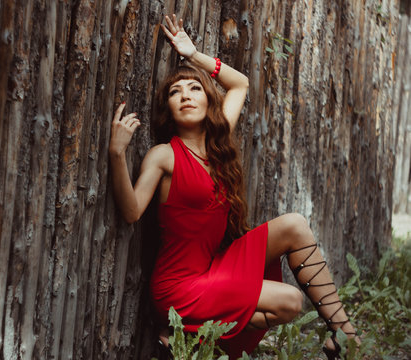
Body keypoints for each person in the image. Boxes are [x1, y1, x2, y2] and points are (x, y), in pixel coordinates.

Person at [109, 14, 359, 359]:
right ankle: (185, 335)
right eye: (175, 92)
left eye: (195, 88)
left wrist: (192, 54)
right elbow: (132, 210)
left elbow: (239, 83)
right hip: (179, 285)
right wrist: (116, 153)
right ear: (167, 109)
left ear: (209, 101)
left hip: (215, 267)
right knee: (289, 303)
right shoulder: (163, 156)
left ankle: (345, 336)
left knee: (295, 225)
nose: (186, 95)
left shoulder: (217, 146)